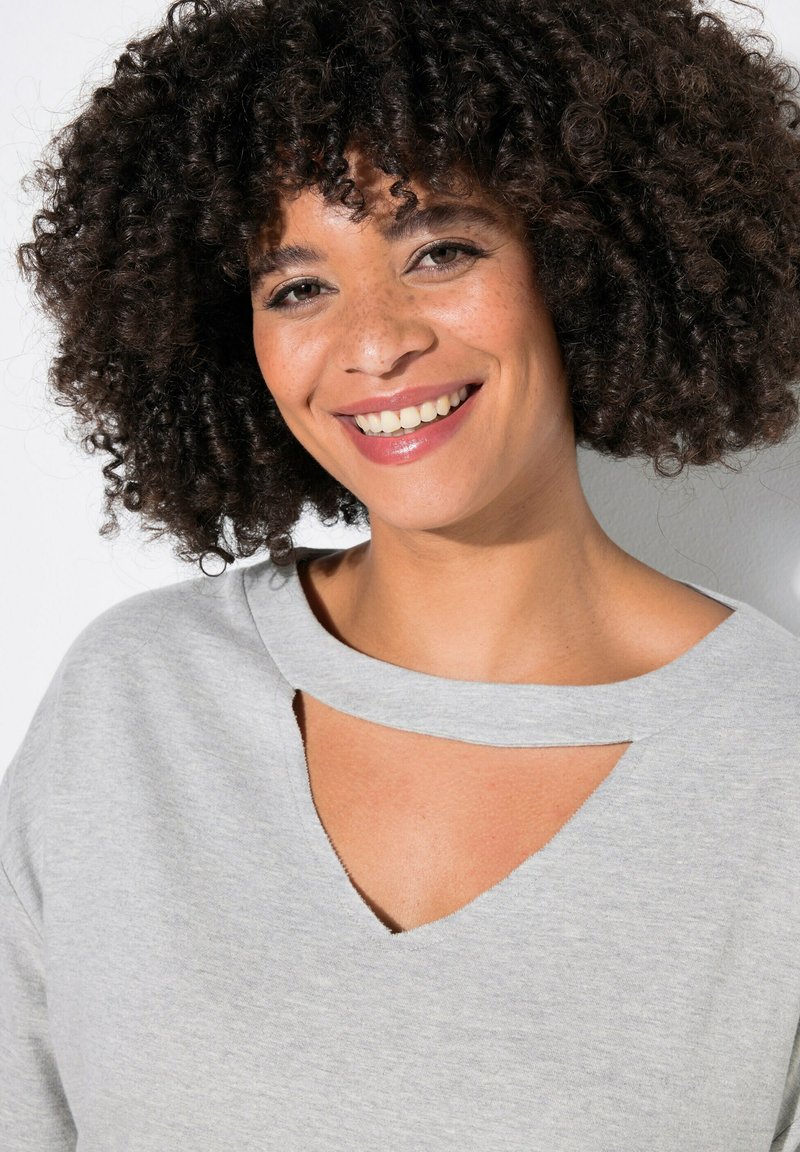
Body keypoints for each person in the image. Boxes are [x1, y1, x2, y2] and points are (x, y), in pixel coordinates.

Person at [3, 0, 800, 1147]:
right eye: (297, 287)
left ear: (579, 263)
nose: (374, 343)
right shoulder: (134, 706)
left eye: (439, 251)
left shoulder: (774, 769)